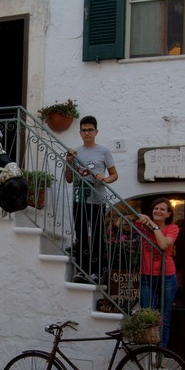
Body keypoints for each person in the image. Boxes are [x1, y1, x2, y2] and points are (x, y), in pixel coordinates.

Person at [64, 115, 119, 284]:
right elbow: (69, 179)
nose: (87, 133)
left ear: (96, 132)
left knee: (96, 236)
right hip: (79, 199)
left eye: (90, 130)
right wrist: (68, 161)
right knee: (80, 236)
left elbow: (114, 175)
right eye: (84, 130)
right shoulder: (75, 152)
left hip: (97, 200)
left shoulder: (103, 151)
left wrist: (104, 178)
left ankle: (95, 272)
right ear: (80, 132)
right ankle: (81, 270)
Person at [136, 197, 179, 348]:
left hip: (167, 277)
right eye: (156, 208)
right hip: (146, 275)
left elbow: (163, 245)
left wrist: (154, 226)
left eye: (162, 209)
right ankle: (147, 351)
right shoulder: (142, 225)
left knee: (164, 317)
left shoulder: (172, 228)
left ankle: (161, 352)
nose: (158, 211)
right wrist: (138, 217)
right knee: (147, 315)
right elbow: (119, 221)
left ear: (168, 214)